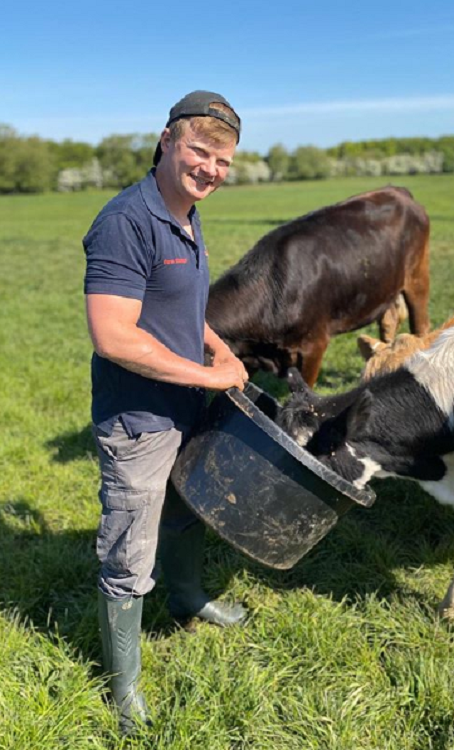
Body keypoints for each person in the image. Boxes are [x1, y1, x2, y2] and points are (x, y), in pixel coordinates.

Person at [83, 90, 249, 734]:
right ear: (166, 140)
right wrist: (210, 374)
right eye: (200, 151)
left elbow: (179, 304)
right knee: (130, 547)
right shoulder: (126, 221)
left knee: (185, 510)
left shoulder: (184, 212)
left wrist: (217, 347)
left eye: (224, 161)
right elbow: (115, 336)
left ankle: (188, 596)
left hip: (187, 405)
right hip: (140, 418)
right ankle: (123, 689)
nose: (211, 168)